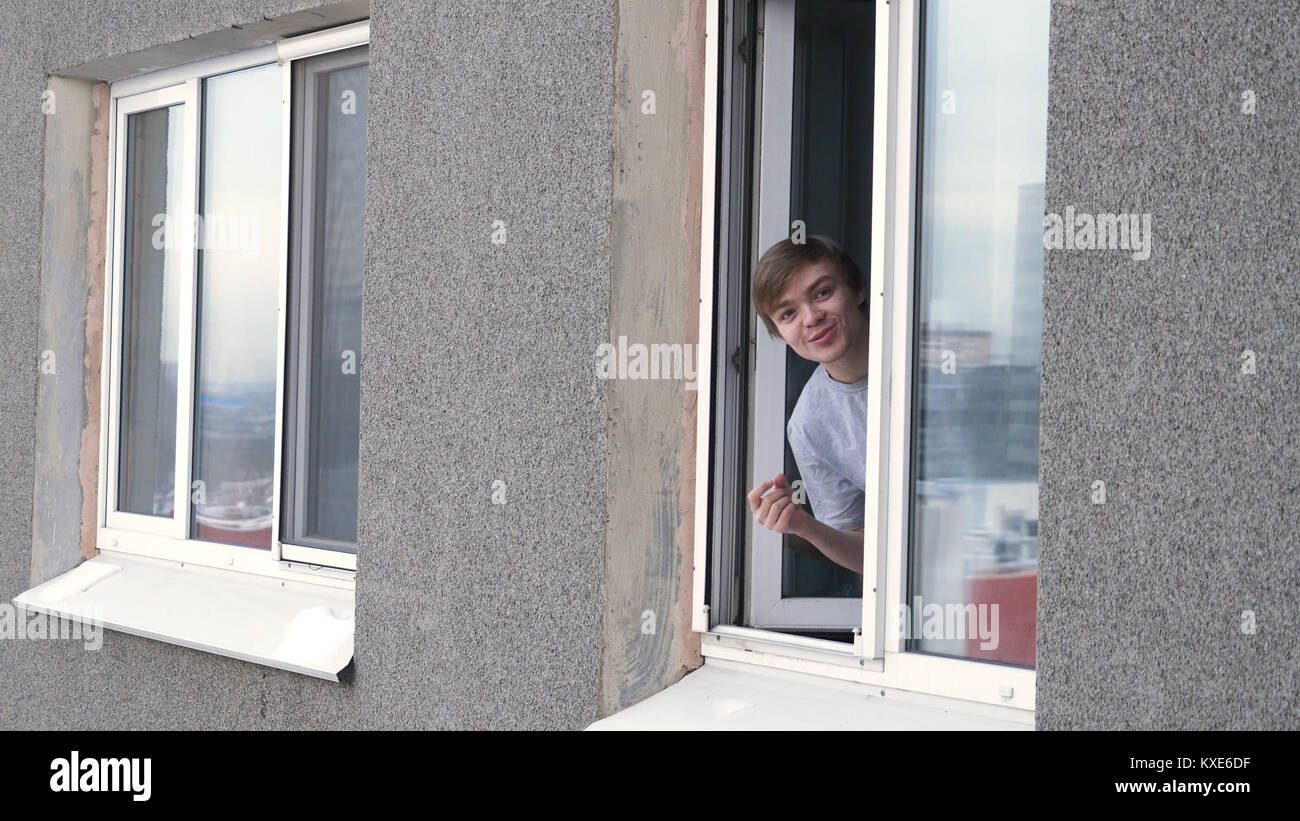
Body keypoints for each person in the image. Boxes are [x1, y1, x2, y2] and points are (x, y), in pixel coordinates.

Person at [746, 235, 869, 574]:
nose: (812, 317)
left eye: (823, 293)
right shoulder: (809, 426)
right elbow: (872, 556)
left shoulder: (926, 348)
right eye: (788, 313)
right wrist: (803, 525)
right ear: (778, 333)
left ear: (857, 289)